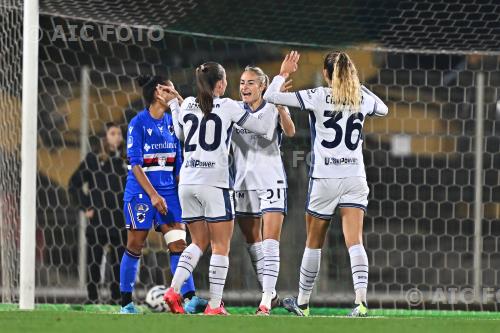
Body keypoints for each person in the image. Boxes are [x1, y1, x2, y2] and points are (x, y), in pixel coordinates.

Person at [263, 51, 388, 317]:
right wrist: (359, 86)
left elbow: (270, 96)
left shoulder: (318, 96)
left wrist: (283, 73)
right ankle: (362, 303)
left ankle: (304, 304)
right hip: (355, 177)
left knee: (314, 241)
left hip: (325, 178)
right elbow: (384, 108)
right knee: (355, 241)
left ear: (326, 74)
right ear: (351, 74)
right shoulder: (361, 98)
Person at [160, 62, 276, 315]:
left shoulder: (188, 103)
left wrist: (172, 103)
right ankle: (214, 305)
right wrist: (273, 98)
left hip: (188, 182)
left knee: (198, 241)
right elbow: (263, 128)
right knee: (220, 245)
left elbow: (179, 132)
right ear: (221, 84)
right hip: (215, 182)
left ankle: (172, 290)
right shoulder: (230, 106)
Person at [119, 75, 207, 314]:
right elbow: (135, 164)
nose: (174, 91)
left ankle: (189, 298)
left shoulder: (172, 122)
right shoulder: (138, 123)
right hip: (141, 193)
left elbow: (178, 162)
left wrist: (187, 191)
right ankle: (126, 303)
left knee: (179, 243)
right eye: (169, 87)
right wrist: (153, 196)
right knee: (136, 244)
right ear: (158, 92)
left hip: (169, 192)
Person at [231, 66, 295, 314]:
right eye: (242, 83)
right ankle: (271, 293)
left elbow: (290, 131)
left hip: (271, 181)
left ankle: (265, 301)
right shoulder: (233, 110)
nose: (244, 87)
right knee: (252, 243)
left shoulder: (273, 105)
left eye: (250, 83)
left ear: (262, 87)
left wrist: (280, 107)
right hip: (243, 184)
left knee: (270, 243)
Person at [69, 122, 127, 305]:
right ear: (105, 137)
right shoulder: (93, 159)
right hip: (99, 219)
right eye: (113, 133)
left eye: (119, 133)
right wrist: (86, 206)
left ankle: (116, 297)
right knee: (93, 259)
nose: (117, 137)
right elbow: (74, 184)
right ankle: (92, 297)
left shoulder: (127, 161)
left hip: (120, 219)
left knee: (118, 261)